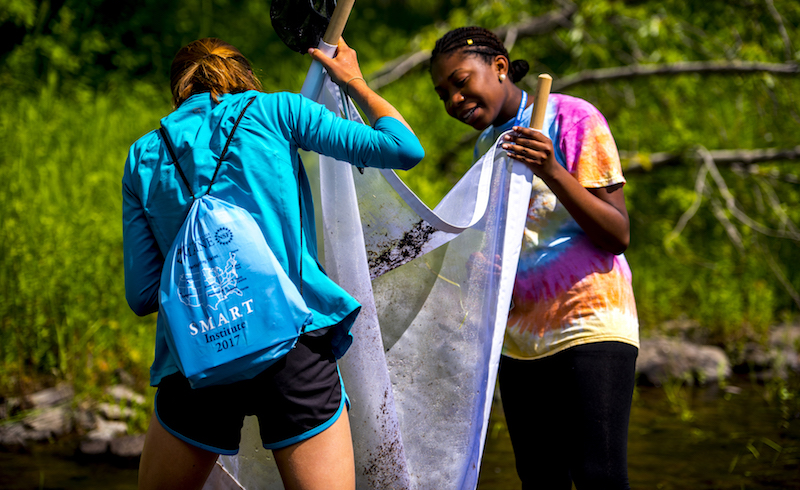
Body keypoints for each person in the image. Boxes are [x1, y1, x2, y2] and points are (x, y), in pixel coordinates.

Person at [123, 37, 424, 490]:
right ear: (245, 75)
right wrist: (354, 81)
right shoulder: (279, 112)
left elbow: (143, 295)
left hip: (196, 357)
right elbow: (403, 148)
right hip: (293, 347)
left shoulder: (144, 155)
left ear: (179, 89)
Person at [430, 26, 639, 489]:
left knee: (598, 476)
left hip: (588, 324)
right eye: (444, 94)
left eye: (461, 82)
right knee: (540, 479)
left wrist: (551, 169)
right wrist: (480, 264)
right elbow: (507, 242)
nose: (454, 100)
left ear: (499, 67)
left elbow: (617, 233)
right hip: (519, 341)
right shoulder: (489, 147)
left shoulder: (571, 117)